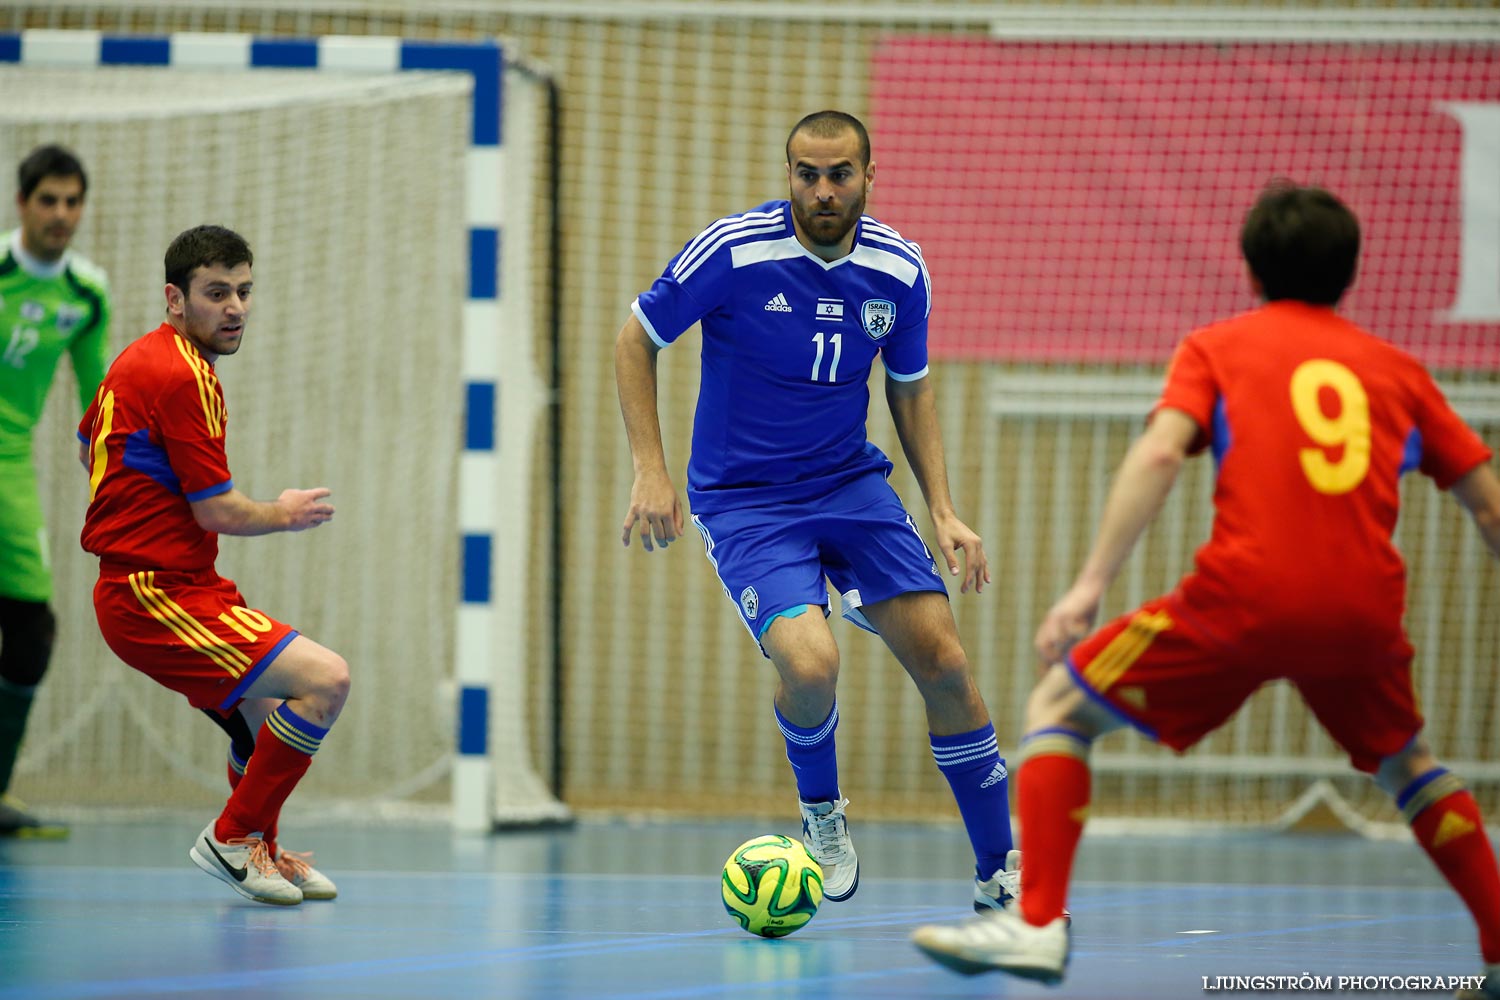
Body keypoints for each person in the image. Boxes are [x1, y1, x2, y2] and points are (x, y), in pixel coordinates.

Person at [911, 183, 1500, 998]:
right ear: (1352, 274)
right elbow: (1488, 504)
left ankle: (1038, 925)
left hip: (1244, 599)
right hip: (1363, 614)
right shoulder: (1400, 372)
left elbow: (1158, 456)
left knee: (1057, 709)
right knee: (1412, 767)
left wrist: (1089, 586)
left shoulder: (1218, 347)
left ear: (1250, 270)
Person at [616, 110, 1019, 909]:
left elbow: (911, 388)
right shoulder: (734, 252)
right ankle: (822, 816)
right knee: (810, 664)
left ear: (870, 175)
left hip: (849, 487)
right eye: (807, 173)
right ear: (789, 175)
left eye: (840, 173)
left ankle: (1000, 872)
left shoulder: (900, 271)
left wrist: (942, 509)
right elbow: (637, 338)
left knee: (945, 662)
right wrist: (650, 469)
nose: (823, 189)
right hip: (747, 501)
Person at [78, 225, 349, 906]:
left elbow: (90, 445)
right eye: (216, 293)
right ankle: (231, 838)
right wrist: (284, 511)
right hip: (150, 593)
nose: (234, 307)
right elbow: (217, 512)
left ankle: (259, 847)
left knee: (260, 720)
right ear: (176, 298)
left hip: (178, 584)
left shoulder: (142, 358)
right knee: (326, 681)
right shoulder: (181, 374)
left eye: (244, 291)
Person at [0, 145, 111, 838]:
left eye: (73, 201)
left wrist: (124, 479)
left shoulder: (86, 294)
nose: (61, 214)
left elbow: (101, 400)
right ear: (22, 204)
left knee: (32, 630)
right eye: (49, 200)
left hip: (10, 467)